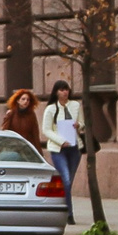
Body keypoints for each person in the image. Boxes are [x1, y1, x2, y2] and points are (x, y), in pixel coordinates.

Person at [43, 79, 86, 222]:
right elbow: (46, 130)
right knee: (65, 180)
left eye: (67, 89)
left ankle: (61, 206)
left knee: (69, 182)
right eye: (62, 90)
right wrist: (61, 141)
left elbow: (83, 123)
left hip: (75, 148)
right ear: (56, 92)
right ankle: (68, 214)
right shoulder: (51, 109)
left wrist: (78, 124)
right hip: (58, 149)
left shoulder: (75, 105)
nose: (65, 92)